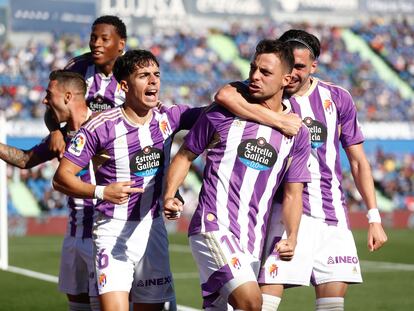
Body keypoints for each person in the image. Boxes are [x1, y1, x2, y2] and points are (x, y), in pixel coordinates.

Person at [214, 29, 388, 311]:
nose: (293, 73)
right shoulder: (268, 92)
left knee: (332, 306)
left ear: (313, 66)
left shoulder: (337, 98)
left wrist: (374, 217)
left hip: (331, 217)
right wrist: (276, 119)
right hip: (284, 214)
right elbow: (224, 95)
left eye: (300, 67)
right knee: (262, 305)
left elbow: (357, 161)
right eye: (289, 65)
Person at [163, 39, 311, 311]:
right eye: (253, 68)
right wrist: (170, 195)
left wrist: (292, 236)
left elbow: (293, 192)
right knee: (252, 303)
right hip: (213, 225)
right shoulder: (222, 114)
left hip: (252, 240)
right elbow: (185, 155)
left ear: (286, 79)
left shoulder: (297, 132)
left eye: (265, 72)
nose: (254, 76)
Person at [53, 49, 202, 311]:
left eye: (156, 74)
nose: (153, 80)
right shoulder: (101, 126)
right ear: (124, 85)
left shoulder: (169, 117)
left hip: (152, 230)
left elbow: (216, 112)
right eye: (144, 75)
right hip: (111, 231)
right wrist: (101, 191)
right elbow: (61, 178)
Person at [0, 70, 100, 311]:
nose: (44, 100)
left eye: (48, 94)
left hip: (102, 233)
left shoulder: (105, 125)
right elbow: (25, 159)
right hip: (73, 233)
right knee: (77, 307)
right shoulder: (63, 135)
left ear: (67, 96)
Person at [46, 15, 127, 158]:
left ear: (121, 44)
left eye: (104, 39)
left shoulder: (133, 71)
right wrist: (55, 131)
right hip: (80, 145)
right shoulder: (77, 67)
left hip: (120, 151)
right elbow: (51, 106)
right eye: (93, 38)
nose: (96, 43)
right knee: (25, 160)